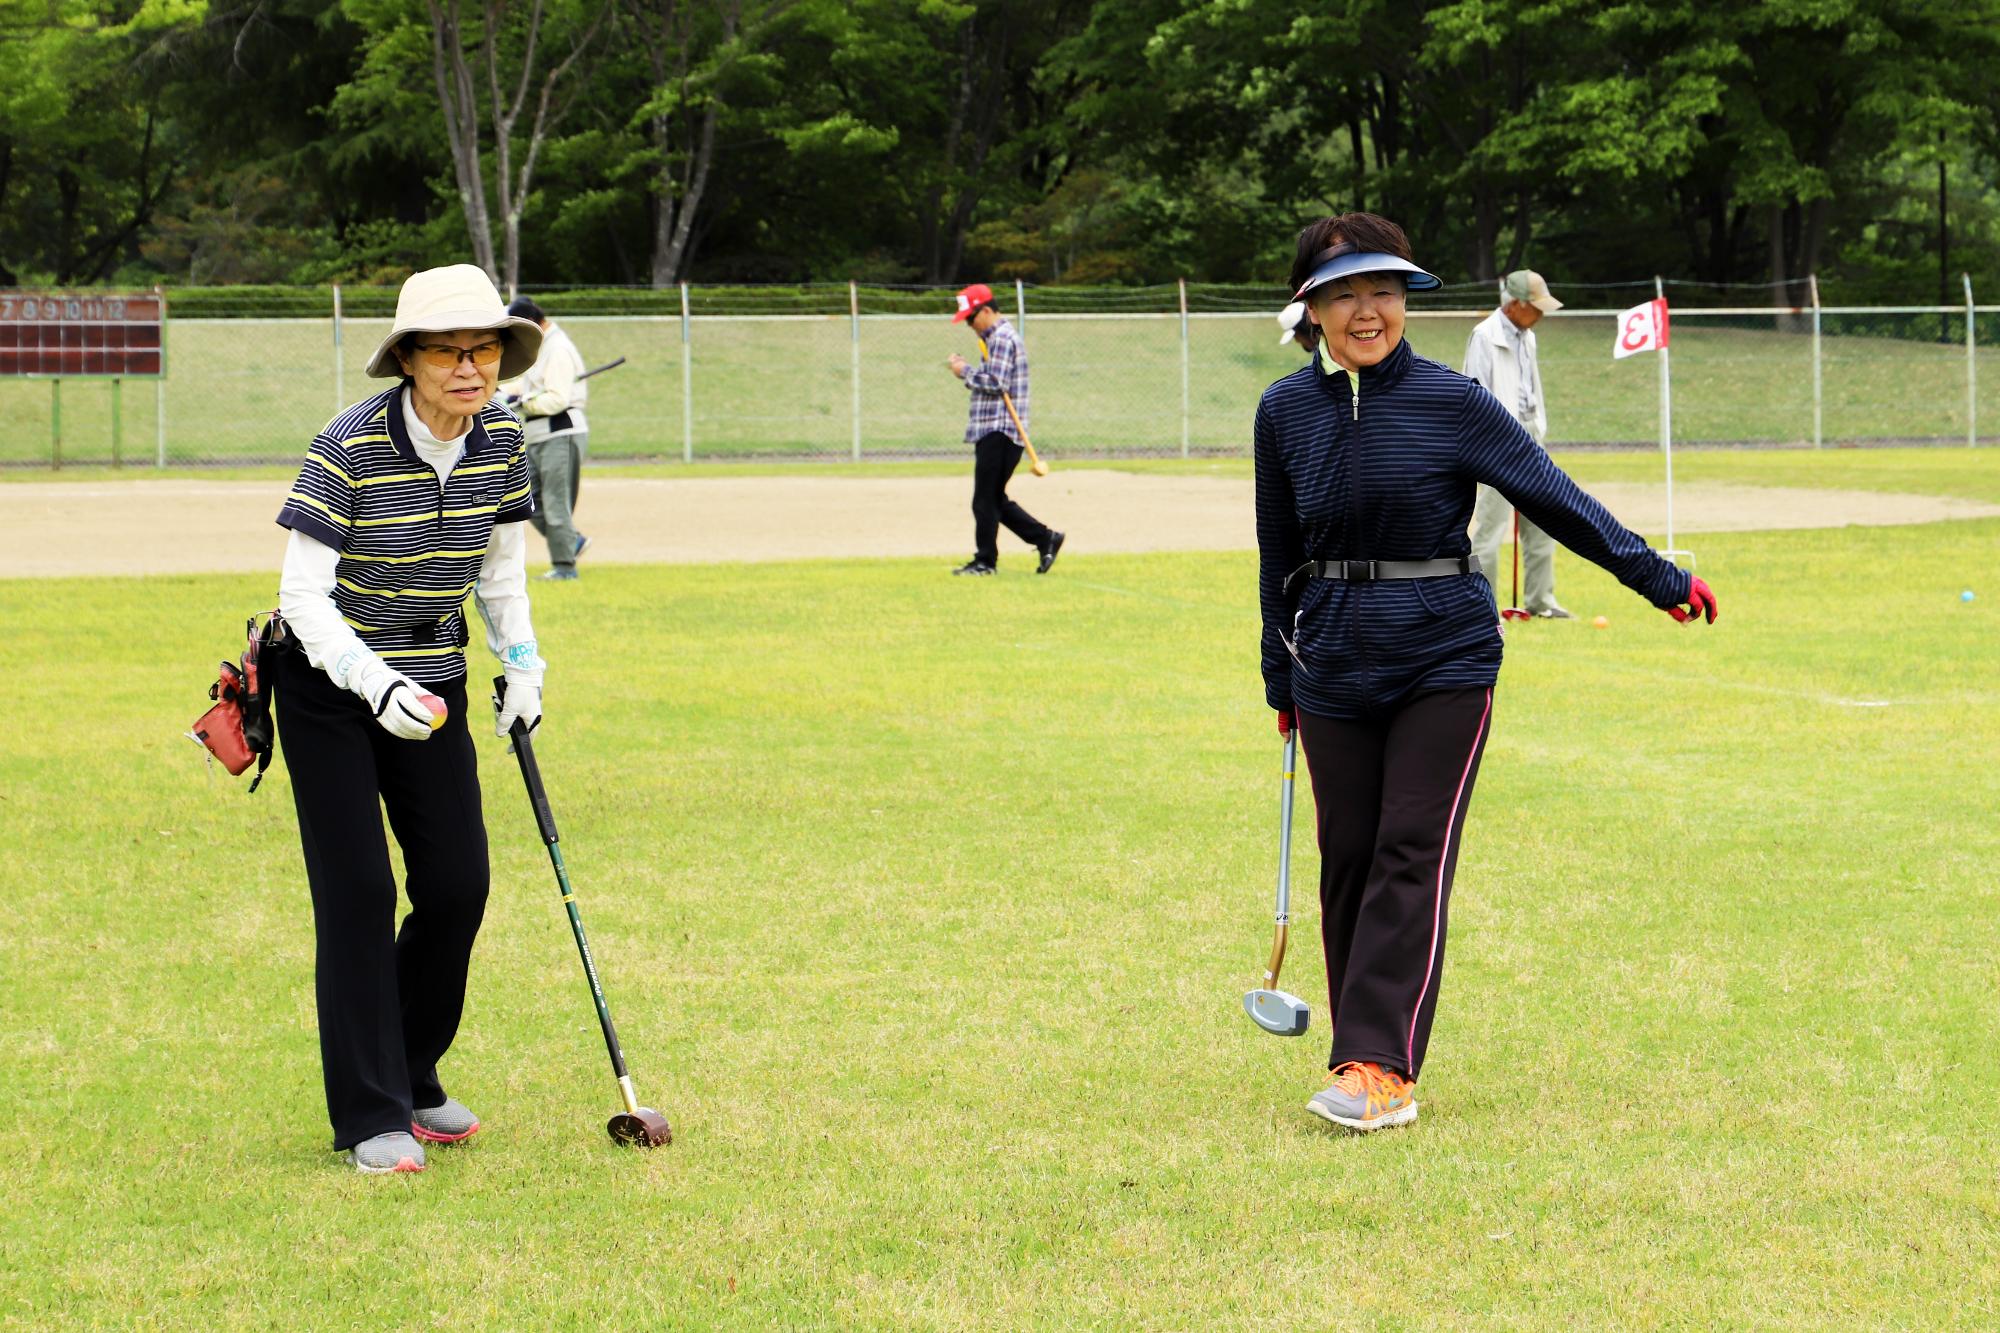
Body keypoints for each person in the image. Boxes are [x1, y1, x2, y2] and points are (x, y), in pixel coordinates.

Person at [1253, 214, 1716, 1133]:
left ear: (1404, 300)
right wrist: (1280, 677)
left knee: (1407, 852)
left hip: (1445, 658)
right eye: (1344, 292)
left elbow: (1554, 495)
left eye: (1382, 290)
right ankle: (1356, 1053)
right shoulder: (1282, 411)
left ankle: (1382, 1068)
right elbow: (1279, 552)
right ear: (1311, 308)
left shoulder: (1452, 400)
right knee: (1346, 862)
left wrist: (1656, 575)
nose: (1367, 310)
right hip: (1332, 661)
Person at [273, 263, 548, 1173]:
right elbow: (302, 597)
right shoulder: (346, 445)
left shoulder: (503, 438)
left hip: (432, 677)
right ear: (410, 359)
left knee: (458, 883)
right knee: (357, 893)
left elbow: (501, 573)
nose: (472, 368)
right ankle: (371, 1112)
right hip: (327, 682)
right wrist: (369, 680)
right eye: (450, 350)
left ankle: (413, 1071)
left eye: (487, 349)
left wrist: (523, 666)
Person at [1465, 270, 1568, 618]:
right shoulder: (1484, 336)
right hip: (1497, 443)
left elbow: (1531, 388)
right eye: (1536, 307)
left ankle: (1542, 602)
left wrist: (1537, 427)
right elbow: (1474, 396)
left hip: (1531, 437)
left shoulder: (1527, 336)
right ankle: (1483, 607)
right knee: (1491, 530)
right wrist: (1489, 447)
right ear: (1516, 304)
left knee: (1543, 522)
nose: (1541, 314)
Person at [944, 282, 1063, 576]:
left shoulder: (1001, 338)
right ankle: (1045, 538)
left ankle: (985, 562)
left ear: (986, 310)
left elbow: (996, 383)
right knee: (993, 498)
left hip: (1000, 430)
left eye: (972, 318)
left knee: (985, 499)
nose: (970, 325)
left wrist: (964, 371)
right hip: (998, 430)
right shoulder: (995, 338)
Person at [500, 296, 591, 581]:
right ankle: (570, 540)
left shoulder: (558, 348)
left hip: (559, 432)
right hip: (539, 434)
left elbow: (556, 398)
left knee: (554, 502)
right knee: (528, 500)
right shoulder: (542, 348)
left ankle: (565, 567)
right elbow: (528, 385)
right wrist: (500, 391)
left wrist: (523, 402)